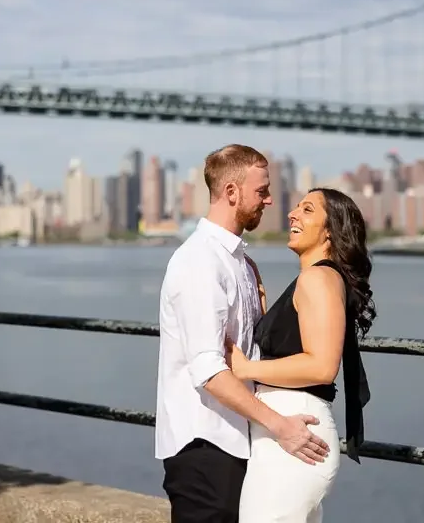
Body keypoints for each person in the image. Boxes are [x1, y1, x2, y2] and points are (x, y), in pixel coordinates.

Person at [155, 144, 331, 523]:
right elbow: (208, 370)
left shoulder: (240, 263)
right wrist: (282, 426)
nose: (270, 201)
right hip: (205, 446)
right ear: (231, 193)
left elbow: (250, 355)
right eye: (262, 191)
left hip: (238, 441)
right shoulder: (200, 262)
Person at [226, 187, 375, 522]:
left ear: (329, 231)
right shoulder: (317, 279)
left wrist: (246, 369)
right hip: (289, 434)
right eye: (296, 207)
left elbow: (322, 366)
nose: (292, 214)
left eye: (307, 210)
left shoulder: (318, 278)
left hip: (296, 437)